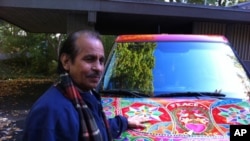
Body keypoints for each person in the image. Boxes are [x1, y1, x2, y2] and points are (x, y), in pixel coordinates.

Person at [22, 30, 147, 141]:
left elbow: (99, 127)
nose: (98, 68)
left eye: (101, 61)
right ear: (66, 61)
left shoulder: (85, 95)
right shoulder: (50, 113)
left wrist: (124, 122)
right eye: (89, 59)